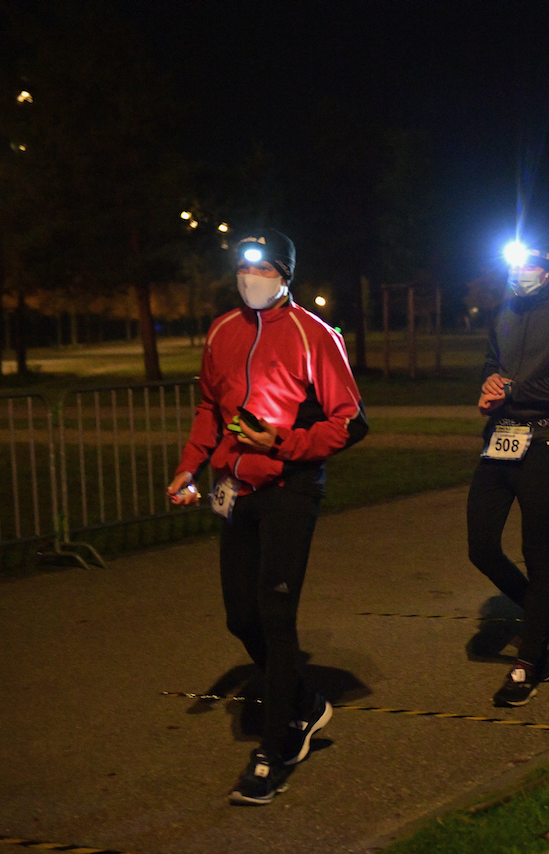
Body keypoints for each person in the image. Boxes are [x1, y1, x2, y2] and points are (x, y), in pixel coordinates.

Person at [167, 229, 369, 806]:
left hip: (291, 487)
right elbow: (210, 406)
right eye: (242, 267)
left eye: (262, 267)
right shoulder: (223, 330)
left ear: (285, 275)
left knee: (277, 615)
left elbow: (349, 422)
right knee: (241, 617)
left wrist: (283, 442)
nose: (249, 277)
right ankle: (304, 702)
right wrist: (189, 467)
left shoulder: (315, 335)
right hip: (233, 487)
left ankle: (275, 749)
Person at [467, 244, 549, 707]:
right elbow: (491, 363)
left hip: (543, 441)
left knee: (536, 550)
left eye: (530, 264)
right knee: (480, 546)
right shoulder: (503, 312)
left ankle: (528, 661)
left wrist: (518, 388)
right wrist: (489, 382)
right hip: (499, 439)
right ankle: (547, 619)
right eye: (514, 265)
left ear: (547, 268)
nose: (521, 273)